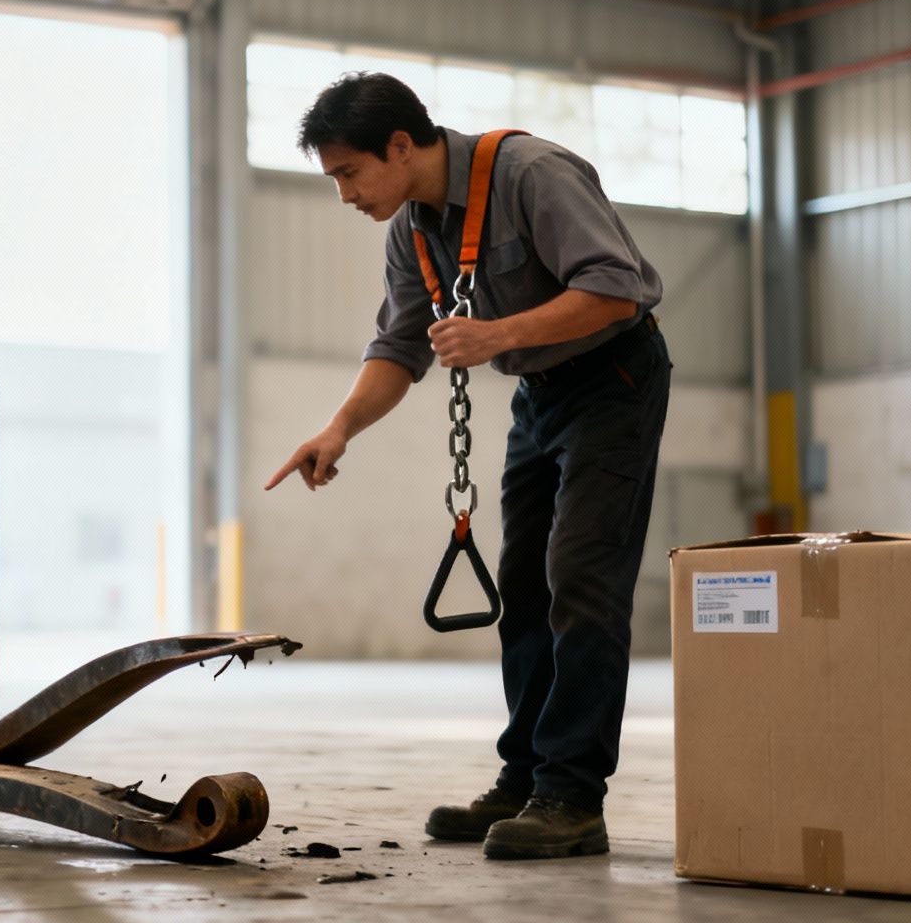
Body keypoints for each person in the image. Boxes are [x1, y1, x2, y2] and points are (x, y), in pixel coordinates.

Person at [264, 73, 669, 861]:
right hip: (539, 396)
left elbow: (619, 291)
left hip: (613, 381)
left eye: (349, 173)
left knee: (582, 581)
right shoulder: (412, 232)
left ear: (401, 145)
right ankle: (524, 779)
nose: (344, 194)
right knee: (524, 589)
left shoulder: (531, 174)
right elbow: (398, 347)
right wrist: (338, 430)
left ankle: (574, 797)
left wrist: (494, 334)